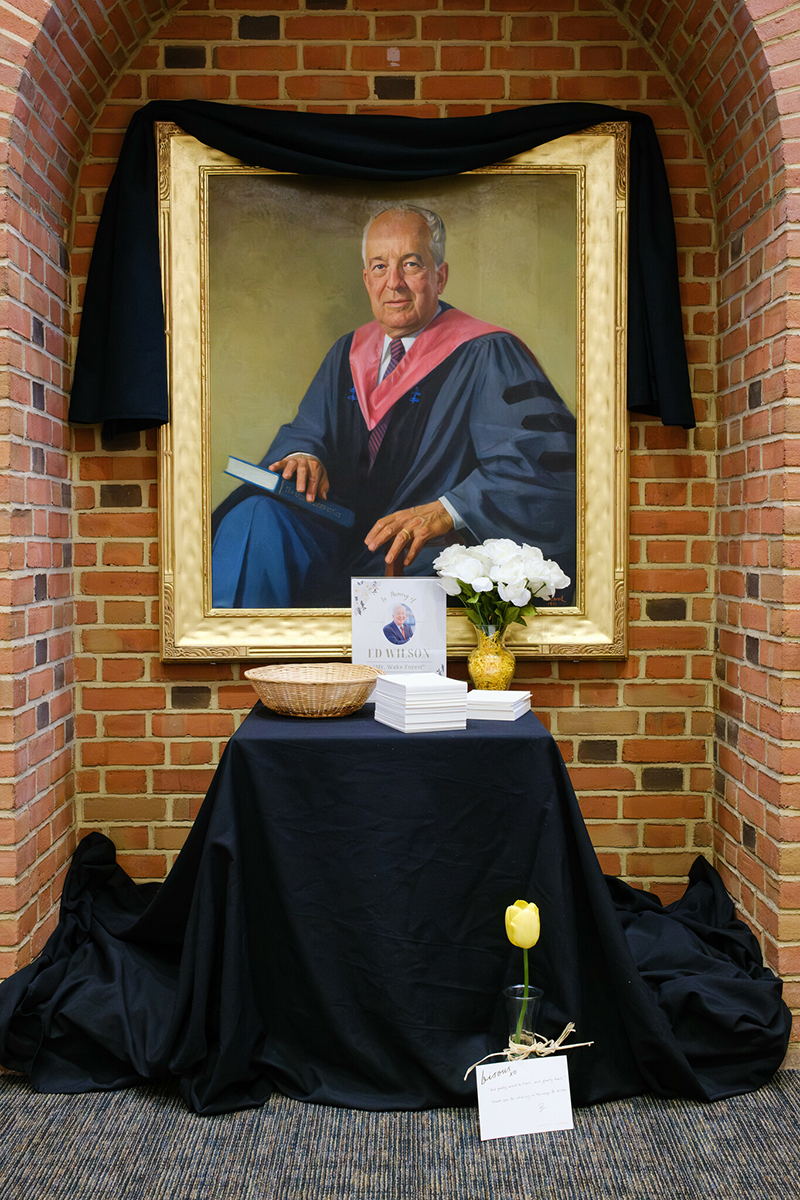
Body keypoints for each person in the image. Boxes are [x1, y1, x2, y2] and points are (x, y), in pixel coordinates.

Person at [211, 203, 577, 608]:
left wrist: (450, 510)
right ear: (367, 280)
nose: (395, 283)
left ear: (440, 276)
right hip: (340, 539)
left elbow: (538, 464)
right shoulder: (347, 353)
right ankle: (239, 659)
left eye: (412, 264)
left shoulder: (488, 353)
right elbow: (309, 429)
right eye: (381, 267)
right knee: (254, 520)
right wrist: (303, 455)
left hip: (427, 552)